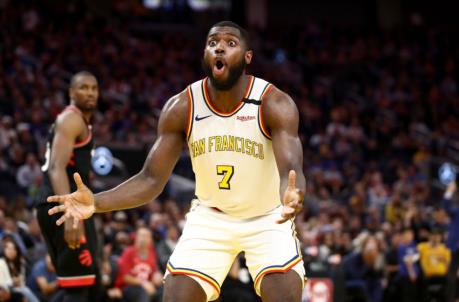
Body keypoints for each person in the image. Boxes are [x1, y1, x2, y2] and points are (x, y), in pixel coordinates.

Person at [47, 21, 306, 302]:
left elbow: (290, 170)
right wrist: (97, 202)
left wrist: (292, 194)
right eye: (212, 42)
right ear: (205, 54)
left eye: (230, 43)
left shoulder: (273, 103)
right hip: (211, 217)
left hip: (267, 216)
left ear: (247, 57)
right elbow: (150, 179)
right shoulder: (182, 106)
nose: (219, 46)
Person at [35, 71, 100, 301]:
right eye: (83, 87)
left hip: (63, 204)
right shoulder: (71, 118)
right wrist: (72, 214)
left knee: (83, 283)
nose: (90, 92)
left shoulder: (78, 121)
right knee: (78, 287)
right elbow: (56, 168)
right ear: (71, 92)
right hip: (63, 206)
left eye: (94, 88)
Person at [114, 227, 163, 302]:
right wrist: (143, 283)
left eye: (146, 236)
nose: (143, 239)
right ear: (136, 237)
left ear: (150, 239)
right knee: (143, 293)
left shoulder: (152, 253)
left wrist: (157, 275)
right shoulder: (128, 252)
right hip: (129, 286)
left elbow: (154, 272)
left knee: (163, 291)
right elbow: (126, 277)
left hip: (148, 285)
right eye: (141, 236)